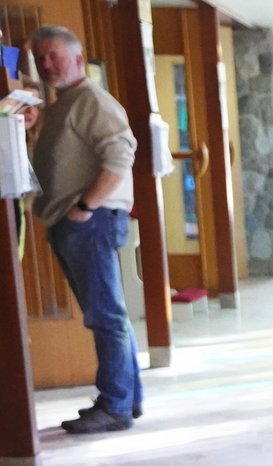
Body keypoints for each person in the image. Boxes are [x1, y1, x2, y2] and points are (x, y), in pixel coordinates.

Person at [27, 26, 141, 433]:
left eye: (54, 56)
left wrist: (84, 207)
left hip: (89, 222)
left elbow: (121, 153)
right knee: (108, 315)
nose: (46, 64)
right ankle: (127, 400)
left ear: (78, 58)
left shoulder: (91, 99)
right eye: (40, 58)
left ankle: (114, 405)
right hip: (74, 221)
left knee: (106, 316)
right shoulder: (63, 103)